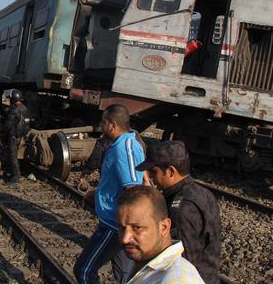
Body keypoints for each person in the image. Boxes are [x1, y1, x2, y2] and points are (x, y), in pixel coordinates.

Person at [73, 104, 145, 284]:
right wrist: (98, 193)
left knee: (83, 270)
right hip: (118, 224)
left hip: (114, 226)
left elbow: (132, 190)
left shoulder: (124, 148)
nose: (101, 126)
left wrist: (124, 228)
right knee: (125, 278)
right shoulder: (120, 144)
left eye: (103, 123)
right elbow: (120, 182)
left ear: (112, 125)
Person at [135, 141, 221, 283]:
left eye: (153, 171)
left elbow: (182, 259)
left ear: (170, 171)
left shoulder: (181, 210)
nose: (150, 176)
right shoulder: (202, 193)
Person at [116, 185, 204, 283]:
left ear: (164, 228)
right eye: (122, 227)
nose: (125, 238)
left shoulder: (178, 280)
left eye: (137, 228)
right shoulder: (145, 261)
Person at [2, 89, 30, 185]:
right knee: (16, 155)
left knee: (12, 156)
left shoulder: (14, 109)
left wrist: (2, 132)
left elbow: (8, 124)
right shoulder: (25, 108)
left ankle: (16, 177)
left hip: (13, 135)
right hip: (22, 135)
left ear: (13, 99)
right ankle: (11, 171)